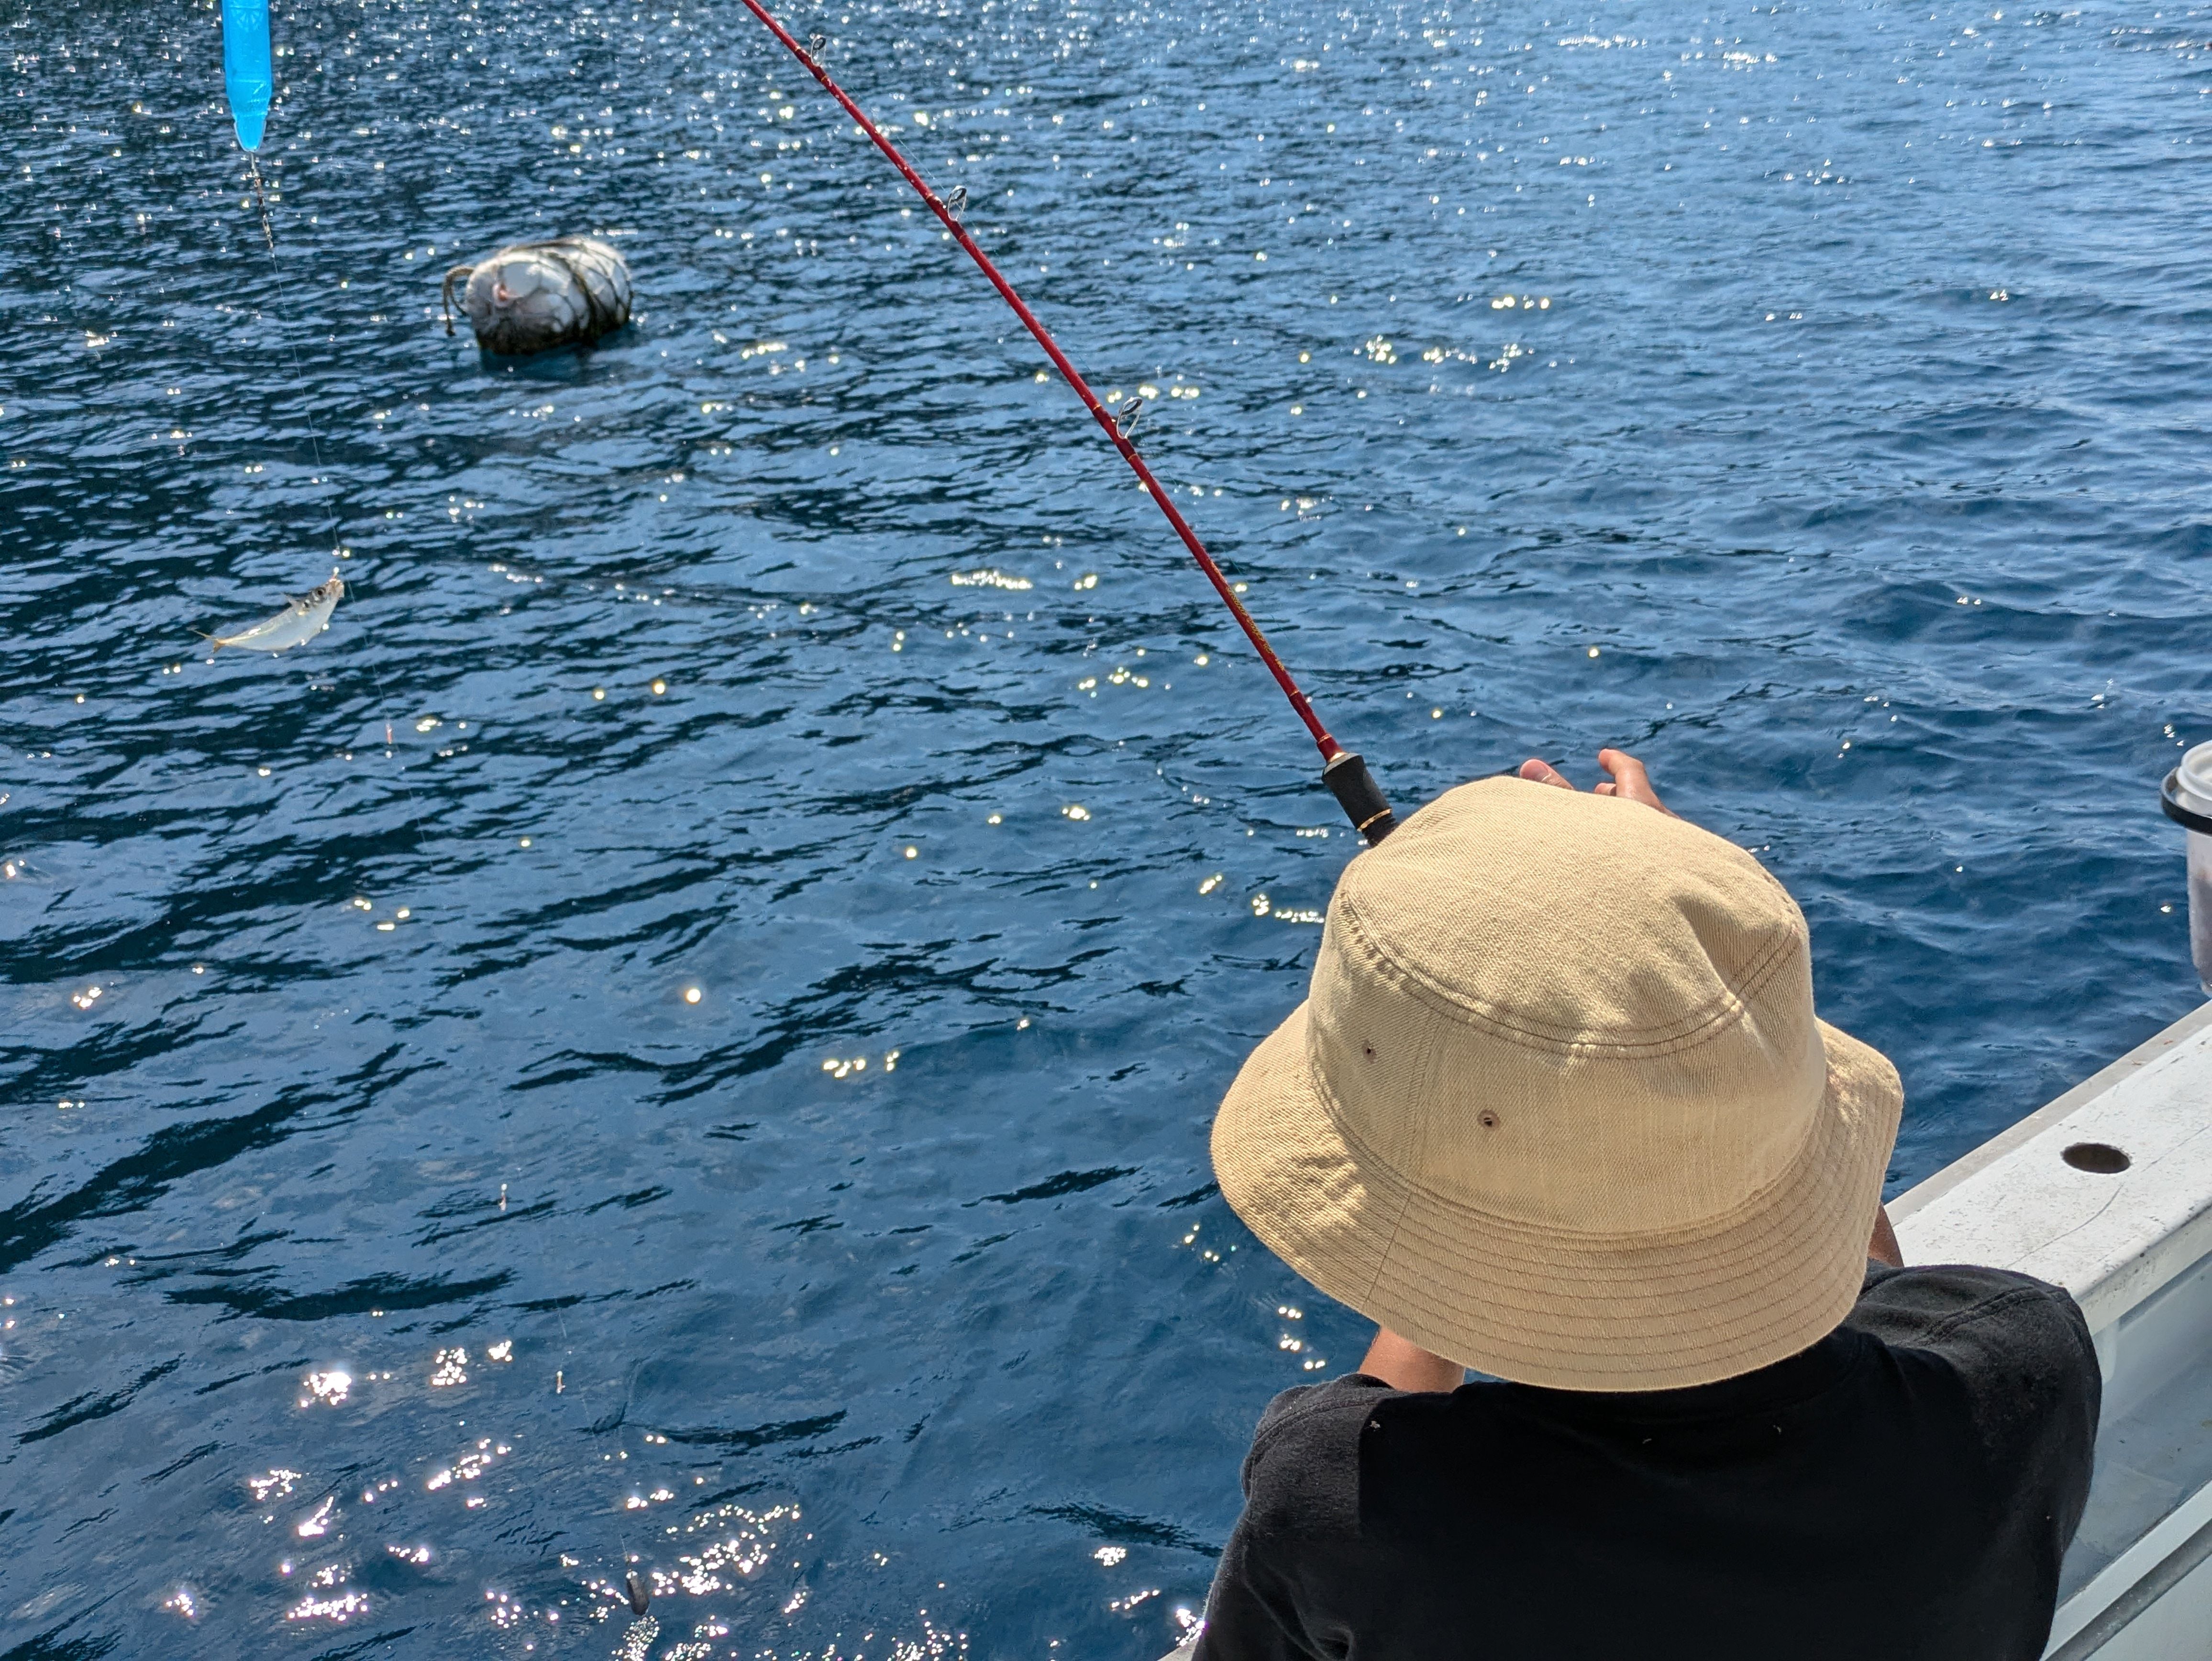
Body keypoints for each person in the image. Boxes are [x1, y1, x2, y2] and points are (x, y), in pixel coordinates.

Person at [1192, 750, 2099, 1661]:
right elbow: (1861, 1288)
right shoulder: (2020, 1372)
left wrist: (1459, 1178)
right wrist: (1698, 976)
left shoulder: (1347, 1514)